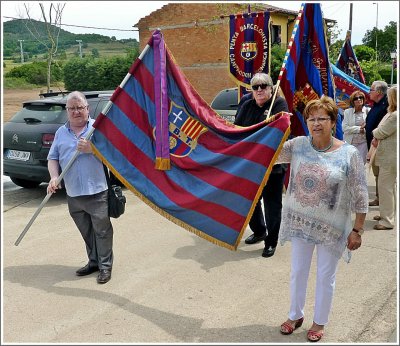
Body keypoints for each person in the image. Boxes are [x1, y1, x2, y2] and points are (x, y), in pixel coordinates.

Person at [276, 96, 368, 342]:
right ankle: (295, 315)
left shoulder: (349, 154)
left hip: (332, 228)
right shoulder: (297, 146)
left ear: (333, 121)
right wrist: (268, 127)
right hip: (300, 223)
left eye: (322, 119)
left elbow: (361, 194)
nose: (316, 124)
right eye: (311, 119)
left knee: (326, 275)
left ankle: (319, 322)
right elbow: (268, 154)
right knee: (298, 271)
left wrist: (357, 229)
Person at [47, 91, 113, 284]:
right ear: (67, 110)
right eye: (72, 108)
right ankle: (93, 262)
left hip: (97, 192)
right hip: (74, 193)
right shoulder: (61, 132)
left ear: (87, 109)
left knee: (102, 231)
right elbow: (53, 158)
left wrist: (92, 150)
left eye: (79, 108)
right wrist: (54, 177)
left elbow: (113, 158)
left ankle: (105, 267)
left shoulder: (97, 129)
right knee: (87, 232)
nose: (76, 112)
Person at [235, 73, 289, 258]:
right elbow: (237, 129)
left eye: (263, 86)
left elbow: (278, 132)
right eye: (255, 87)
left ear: (271, 88)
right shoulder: (246, 105)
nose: (259, 90)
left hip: (273, 166)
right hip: (250, 165)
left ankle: (271, 241)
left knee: (272, 205)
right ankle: (259, 231)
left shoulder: (279, 104)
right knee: (250, 201)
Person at [371, 86, 397, 230]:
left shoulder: (394, 116)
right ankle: (387, 215)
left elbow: (381, 131)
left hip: (389, 158)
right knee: (390, 188)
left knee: (385, 188)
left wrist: (375, 132)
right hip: (390, 157)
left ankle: (387, 220)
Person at [365, 81, 388, 206]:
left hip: (380, 146)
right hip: (373, 145)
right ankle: (379, 198)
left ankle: (382, 201)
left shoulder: (387, 105)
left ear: (379, 92)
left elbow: (384, 126)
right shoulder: (376, 104)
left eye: (371, 90)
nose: (369, 92)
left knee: (381, 177)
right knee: (377, 174)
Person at [342, 91, 369, 164]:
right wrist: (359, 129)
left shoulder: (368, 111)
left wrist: (364, 129)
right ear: (352, 101)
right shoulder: (347, 112)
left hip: (363, 143)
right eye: (356, 98)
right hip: (350, 143)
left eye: (361, 97)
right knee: (350, 164)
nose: (359, 99)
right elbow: (344, 128)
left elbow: (370, 127)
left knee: (361, 165)